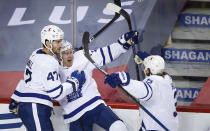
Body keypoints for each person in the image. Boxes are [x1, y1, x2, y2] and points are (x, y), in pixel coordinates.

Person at [9, 25, 86, 131]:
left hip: (28, 104)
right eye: (57, 42)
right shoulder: (49, 62)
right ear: (47, 43)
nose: (61, 44)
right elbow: (56, 93)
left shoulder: (36, 53)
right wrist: (75, 82)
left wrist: (15, 98)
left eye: (61, 41)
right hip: (34, 106)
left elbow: (37, 78)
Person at [57, 31, 139, 131]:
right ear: (58, 56)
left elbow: (104, 54)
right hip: (75, 114)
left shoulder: (82, 56)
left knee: (118, 127)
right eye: (66, 54)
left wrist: (122, 44)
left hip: (95, 105)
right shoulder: (53, 70)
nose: (70, 56)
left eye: (70, 52)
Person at [104, 52, 179, 131]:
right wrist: (146, 59)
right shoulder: (167, 79)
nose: (144, 69)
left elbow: (143, 90)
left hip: (155, 128)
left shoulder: (154, 83)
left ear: (148, 70)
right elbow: (155, 66)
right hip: (168, 125)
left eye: (145, 68)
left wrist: (125, 81)